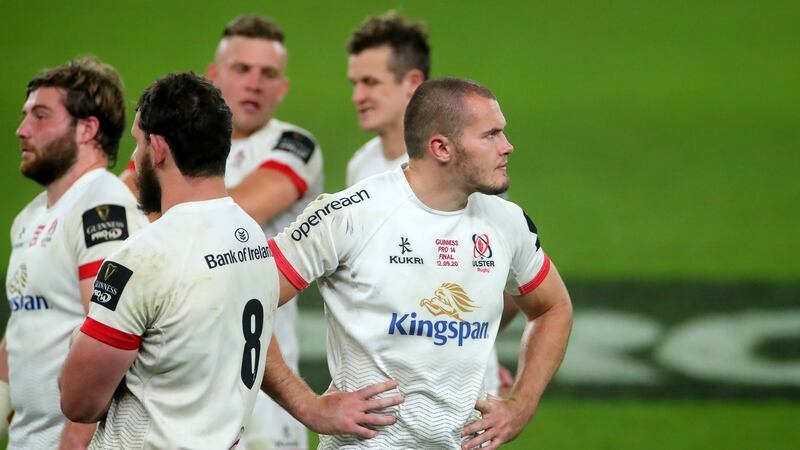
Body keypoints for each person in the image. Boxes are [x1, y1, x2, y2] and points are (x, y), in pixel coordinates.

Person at [265, 77, 573, 449]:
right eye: (490, 135)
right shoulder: (349, 216)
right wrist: (309, 407)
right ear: (441, 147)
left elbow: (553, 308)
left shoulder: (507, 223)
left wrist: (521, 406)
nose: (507, 147)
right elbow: (245, 300)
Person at [118, 15, 322, 449]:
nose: (254, 83)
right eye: (241, 69)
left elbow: (229, 210)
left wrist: (158, 208)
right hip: (182, 368)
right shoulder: (171, 142)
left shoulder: (294, 145)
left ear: (282, 88)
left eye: (268, 74)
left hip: (264, 376)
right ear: (215, 76)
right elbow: (121, 204)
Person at [59, 71, 280, 449]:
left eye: (138, 144)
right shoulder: (254, 239)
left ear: (158, 148)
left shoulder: (143, 258)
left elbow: (77, 401)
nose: (133, 158)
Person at [346, 12, 517, 397]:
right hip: (388, 390)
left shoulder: (458, 166)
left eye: (370, 82)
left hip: (457, 395)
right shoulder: (362, 164)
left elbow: (506, 287)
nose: (358, 95)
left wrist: (476, 347)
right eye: (354, 83)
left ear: (412, 83)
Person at [0, 57, 148, 449]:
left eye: (41, 116)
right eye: (25, 115)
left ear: (87, 128)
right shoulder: (30, 217)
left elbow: (111, 335)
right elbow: (20, 333)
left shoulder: (102, 208)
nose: (22, 130)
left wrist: (73, 444)